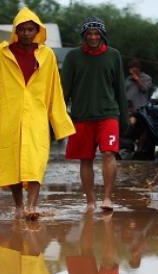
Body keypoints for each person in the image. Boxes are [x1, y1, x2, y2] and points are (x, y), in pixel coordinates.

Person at [0, 7, 74, 220]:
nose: (26, 33)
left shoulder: (47, 55)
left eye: (30, 29)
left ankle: (32, 205)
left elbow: (54, 90)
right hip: (8, 116)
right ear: (16, 30)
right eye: (22, 29)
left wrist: (60, 123)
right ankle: (18, 206)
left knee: (35, 160)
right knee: (11, 162)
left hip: (36, 116)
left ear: (37, 30)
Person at [61, 16, 128, 212]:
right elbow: (64, 89)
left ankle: (107, 198)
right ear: (84, 36)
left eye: (96, 33)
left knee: (108, 153)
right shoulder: (73, 57)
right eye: (88, 33)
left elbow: (120, 90)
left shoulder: (114, 55)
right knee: (86, 158)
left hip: (108, 114)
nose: (92, 37)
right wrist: (58, 118)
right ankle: (90, 201)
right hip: (82, 115)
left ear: (102, 35)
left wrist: (123, 118)